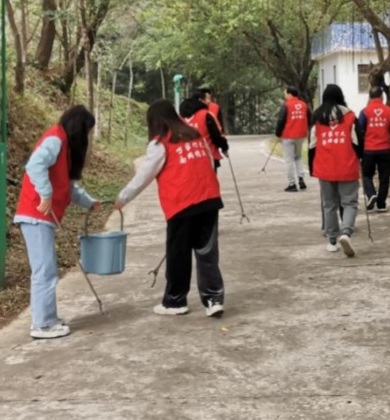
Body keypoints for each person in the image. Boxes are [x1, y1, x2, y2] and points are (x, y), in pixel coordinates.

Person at [114, 99, 225, 318]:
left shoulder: (160, 143)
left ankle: (175, 301)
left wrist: (123, 198)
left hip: (182, 203)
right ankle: (214, 300)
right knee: (207, 253)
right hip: (209, 199)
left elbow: (145, 174)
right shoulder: (195, 135)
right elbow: (210, 163)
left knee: (178, 254)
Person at [13, 105, 99, 339]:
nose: (88, 137)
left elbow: (68, 187)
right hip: (35, 215)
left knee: (47, 270)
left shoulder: (65, 147)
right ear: (79, 129)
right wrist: (45, 193)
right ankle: (42, 324)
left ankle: (47, 318)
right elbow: (34, 165)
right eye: (87, 131)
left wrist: (90, 202)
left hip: (43, 218)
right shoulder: (55, 140)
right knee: (44, 271)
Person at [309, 84, 364, 257]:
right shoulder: (350, 117)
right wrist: (360, 158)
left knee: (329, 204)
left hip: (324, 167)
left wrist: (312, 168)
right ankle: (346, 233)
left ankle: (332, 241)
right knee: (350, 203)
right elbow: (358, 143)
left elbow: (312, 145)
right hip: (347, 165)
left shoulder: (317, 117)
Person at [357, 86, 390, 212]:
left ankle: (371, 193)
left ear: (370, 97)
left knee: (366, 174)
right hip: (384, 149)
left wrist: (359, 149)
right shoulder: (389, 111)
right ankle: (381, 203)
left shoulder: (365, 112)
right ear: (382, 97)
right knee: (384, 177)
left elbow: (359, 131)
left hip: (368, 150)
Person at [275, 86, 312, 192]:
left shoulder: (286, 105)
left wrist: (278, 133)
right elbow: (310, 118)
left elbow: (281, 120)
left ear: (290, 94)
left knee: (289, 159)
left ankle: (292, 184)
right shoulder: (304, 105)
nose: (285, 95)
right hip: (301, 135)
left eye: (285, 93)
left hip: (288, 135)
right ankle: (301, 179)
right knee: (298, 157)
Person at [180, 90, 229, 171]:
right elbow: (216, 136)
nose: (209, 101)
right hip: (208, 155)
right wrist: (224, 147)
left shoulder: (182, 117)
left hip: (189, 156)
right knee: (209, 178)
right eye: (208, 99)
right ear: (200, 100)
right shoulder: (206, 115)